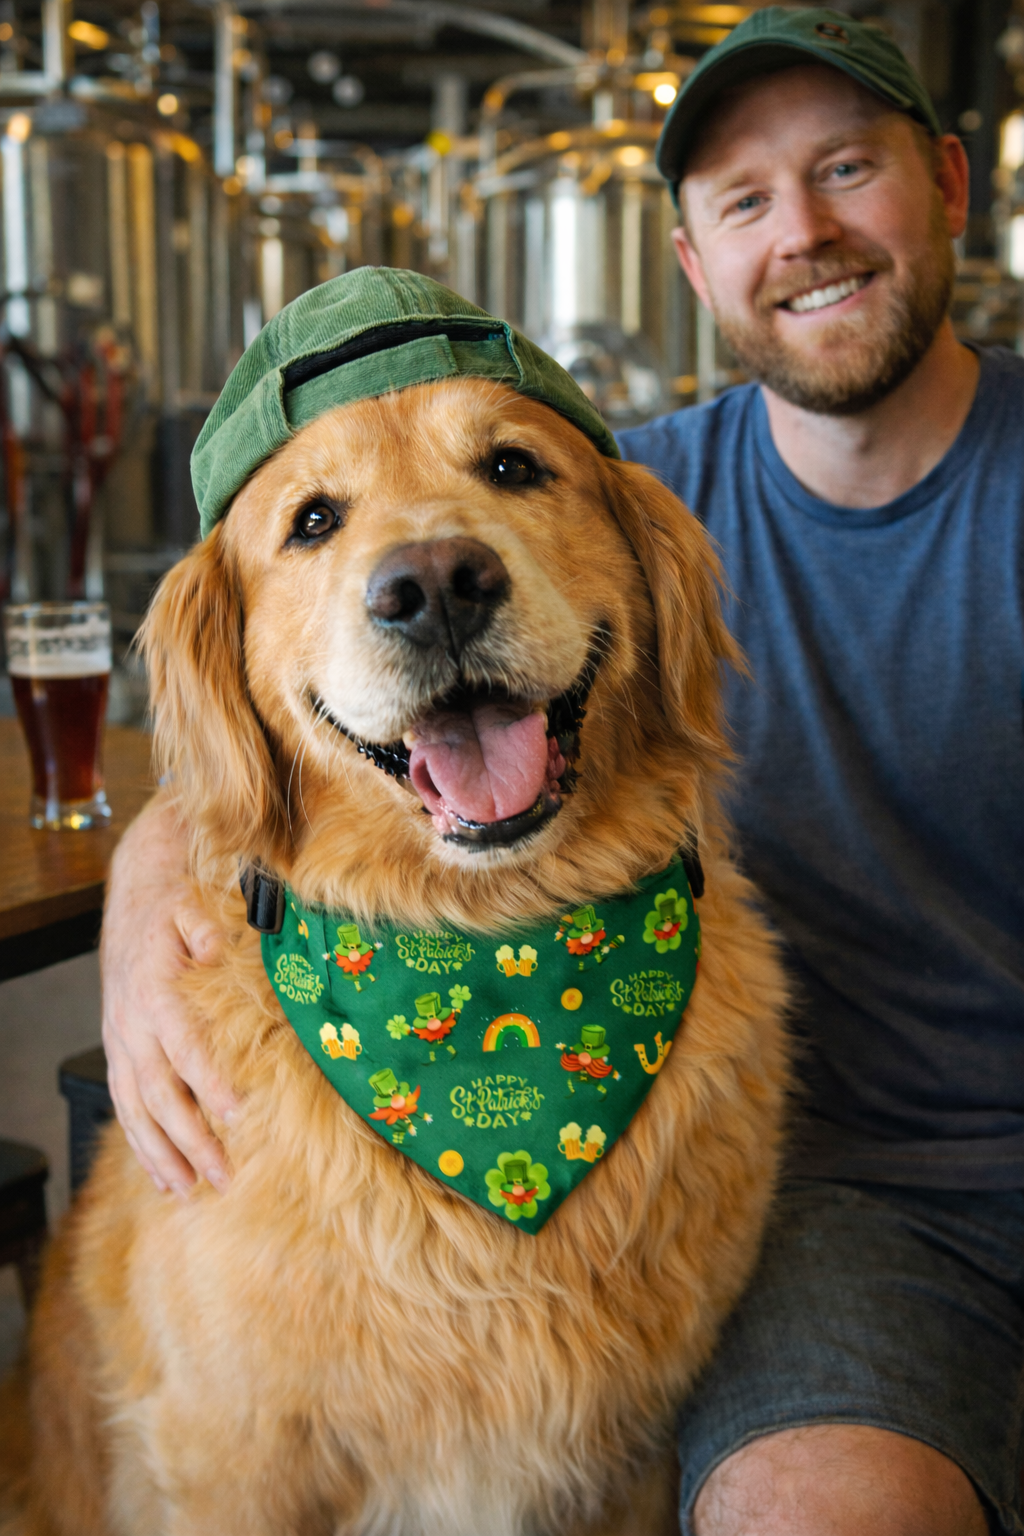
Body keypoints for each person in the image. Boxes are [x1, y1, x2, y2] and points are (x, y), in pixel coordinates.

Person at [99, 9, 1022, 1533]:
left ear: (947, 182)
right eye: (743, 199)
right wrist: (153, 881)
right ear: (692, 261)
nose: (802, 232)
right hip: (863, 1193)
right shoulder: (656, 474)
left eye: (846, 168)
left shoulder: (623, 516)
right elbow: (233, 727)